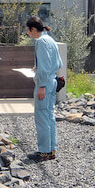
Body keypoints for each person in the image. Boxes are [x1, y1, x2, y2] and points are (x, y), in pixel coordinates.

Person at [25, 16, 63, 162]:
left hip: (45, 84)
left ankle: (44, 151)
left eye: (28, 31)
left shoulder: (41, 42)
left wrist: (41, 85)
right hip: (52, 81)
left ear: (33, 29)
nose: (27, 34)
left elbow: (45, 65)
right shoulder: (50, 40)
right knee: (49, 116)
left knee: (41, 116)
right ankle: (51, 149)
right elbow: (58, 63)